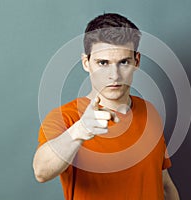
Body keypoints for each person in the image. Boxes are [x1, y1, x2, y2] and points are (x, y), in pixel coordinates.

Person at [33, 13, 180, 200]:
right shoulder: (66, 117)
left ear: (137, 61)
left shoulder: (149, 111)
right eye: (103, 63)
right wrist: (81, 130)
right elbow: (41, 171)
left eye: (124, 62)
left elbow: (164, 183)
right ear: (86, 63)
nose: (114, 75)